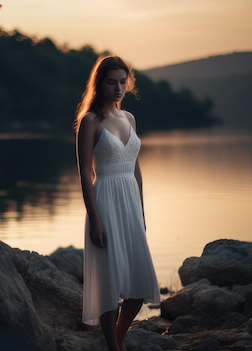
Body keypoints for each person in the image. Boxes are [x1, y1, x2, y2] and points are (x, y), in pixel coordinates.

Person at [74, 55, 160, 351]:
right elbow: (86, 172)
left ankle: (118, 340)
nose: (118, 88)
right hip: (106, 201)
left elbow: (136, 168)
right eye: (112, 82)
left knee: (139, 281)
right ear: (99, 84)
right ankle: (113, 346)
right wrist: (94, 218)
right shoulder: (90, 121)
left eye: (123, 82)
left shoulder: (129, 119)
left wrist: (143, 212)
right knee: (109, 281)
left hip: (131, 203)